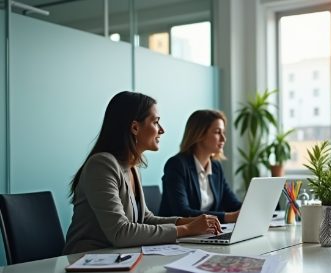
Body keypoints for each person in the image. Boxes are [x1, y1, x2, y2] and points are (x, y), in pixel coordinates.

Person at [63, 91, 222, 255]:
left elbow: (145, 219)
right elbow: (121, 233)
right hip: (87, 260)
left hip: (120, 257)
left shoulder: (132, 166)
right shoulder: (102, 165)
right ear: (135, 127)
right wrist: (187, 229)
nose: (162, 130)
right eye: (156, 122)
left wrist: (189, 221)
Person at [158, 109, 241, 223]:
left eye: (223, 133)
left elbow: (232, 204)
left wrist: (253, 209)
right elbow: (182, 212)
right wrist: (227, 217)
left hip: (204, 235)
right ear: (199, 135)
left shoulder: (216, 167)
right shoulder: (176, 165)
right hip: (177, 236)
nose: (223, 139)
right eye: (217, 132)